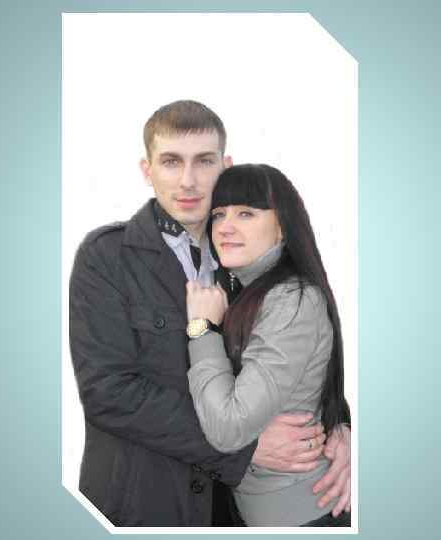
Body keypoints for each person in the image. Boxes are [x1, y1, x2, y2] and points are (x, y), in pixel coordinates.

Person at [69, 100, 351, 526]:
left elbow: (294, 357)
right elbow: (108, 393)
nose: (188, 180)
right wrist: (244, 447)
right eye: (171, 161)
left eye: (204, 161)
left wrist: (336, 427)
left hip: (230, 511)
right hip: (144, 503)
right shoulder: (107, 256)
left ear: (225, 166)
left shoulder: (245, 258)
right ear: (147, 170)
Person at [185, 164, 351, 526]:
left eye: (246, 213)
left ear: (282, 226)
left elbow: (228, 427)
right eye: (219, 214)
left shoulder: (291, 300)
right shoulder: (250, 291)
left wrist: (202, 329)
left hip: (302, 516)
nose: (225, 227)